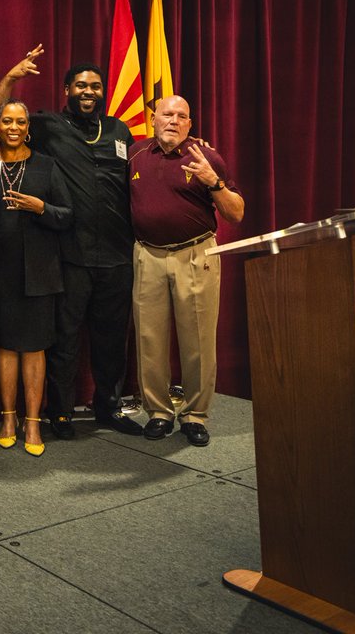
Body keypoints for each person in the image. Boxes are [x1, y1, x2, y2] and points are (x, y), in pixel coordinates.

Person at [0, 46, 143, 440]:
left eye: (96, 86)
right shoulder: (48, 126)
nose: (89, 91)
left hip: (118, 254)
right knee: (65, 340)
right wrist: (11, 77)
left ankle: (109, 408)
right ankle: (60, 413)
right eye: (81, 85)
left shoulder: (120, 131)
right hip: (69, 254)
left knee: (110, 341)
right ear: (67, 89)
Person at [128, 95, 244, 446]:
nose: (174, 121)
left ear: (190, 124)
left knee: (197, 341)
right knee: (150, 339)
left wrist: (214, 183)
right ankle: (159, 412)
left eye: (182, 116)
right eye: (167, 114)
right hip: (148, 255)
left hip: (196, 255)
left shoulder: (206, 157)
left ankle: (195, 415)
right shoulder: (135, 155)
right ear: (153, 119)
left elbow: (236, 213)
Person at [0, 100, 73, 456]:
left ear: (27, 128)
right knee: (5, 346)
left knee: (33, 348)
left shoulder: (47, 167)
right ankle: (8, 418)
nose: (13, 127)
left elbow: (67, 216)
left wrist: (40, 208)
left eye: (20, 121)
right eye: (7, 121)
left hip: (39, 274)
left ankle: (33, 421)